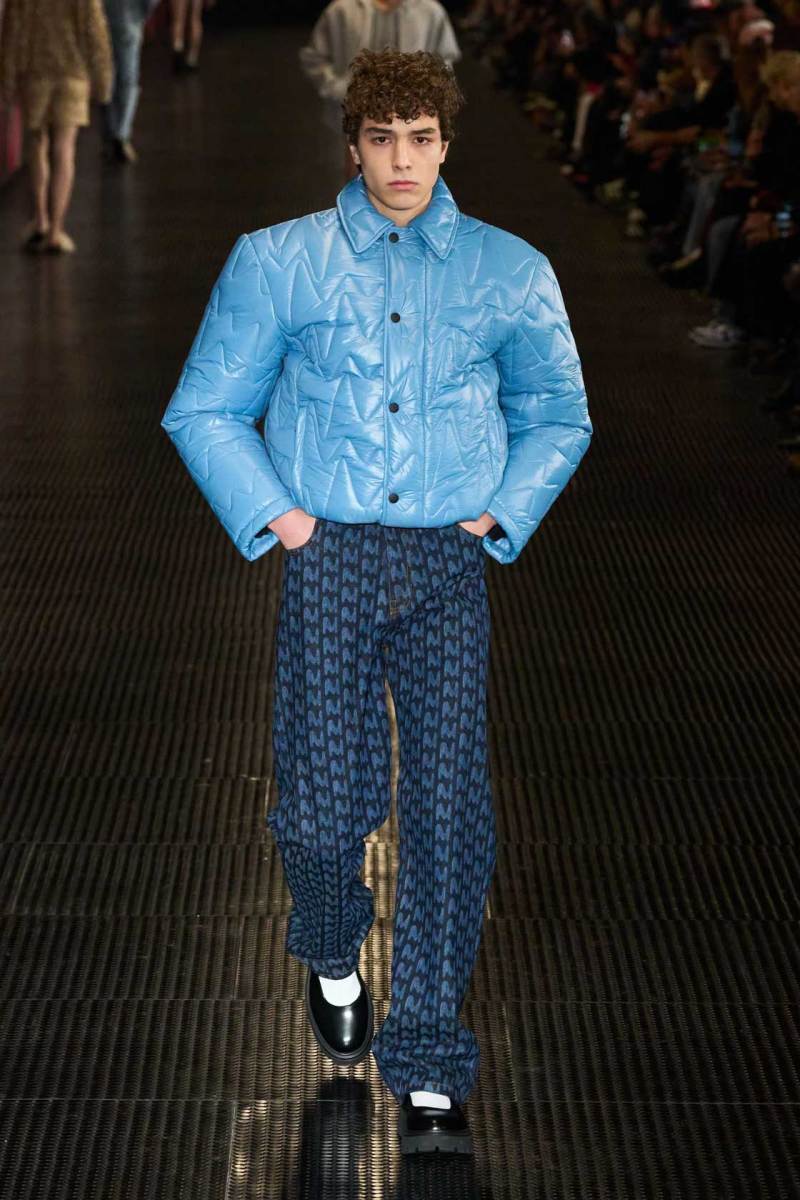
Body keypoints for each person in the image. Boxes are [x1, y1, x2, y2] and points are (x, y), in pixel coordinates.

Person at [161, 47, 592, 1155]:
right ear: (352, 144)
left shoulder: (508, 270)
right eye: (382, 138)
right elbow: (205, 406)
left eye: (422, 139)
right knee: (318, 806)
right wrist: (284, 518)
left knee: (447, 808)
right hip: (333, 554)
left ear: (447, 144)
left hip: (448, 561)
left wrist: (500, 512)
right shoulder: (279, 261)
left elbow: (557, 410)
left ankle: (430, 1059)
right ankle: (329, 941)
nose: (402, 160)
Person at [298, 0, 461, 178]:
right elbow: (314, 57)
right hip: (351, 113)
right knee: (356, 173)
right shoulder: (342, 9)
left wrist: (426, 96)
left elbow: (444, 62)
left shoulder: (430, 11)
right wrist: (339, 88)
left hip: (413, 114)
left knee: (407, 172)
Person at [0, 0, 113, 253]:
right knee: (65, 150)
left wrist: (6, 80)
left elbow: (12, 31)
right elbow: (95, 30)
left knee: (36, 144)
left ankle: (41, 218)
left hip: (34, 73)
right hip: (74, 74)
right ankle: (56, 231)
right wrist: (103, 81)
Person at [102, 0, 160, 163]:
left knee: (108, 78)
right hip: (130, 19)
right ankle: (122, 133)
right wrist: (142, 15)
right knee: (128, 80)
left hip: (104, 21)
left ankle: (110, 130)